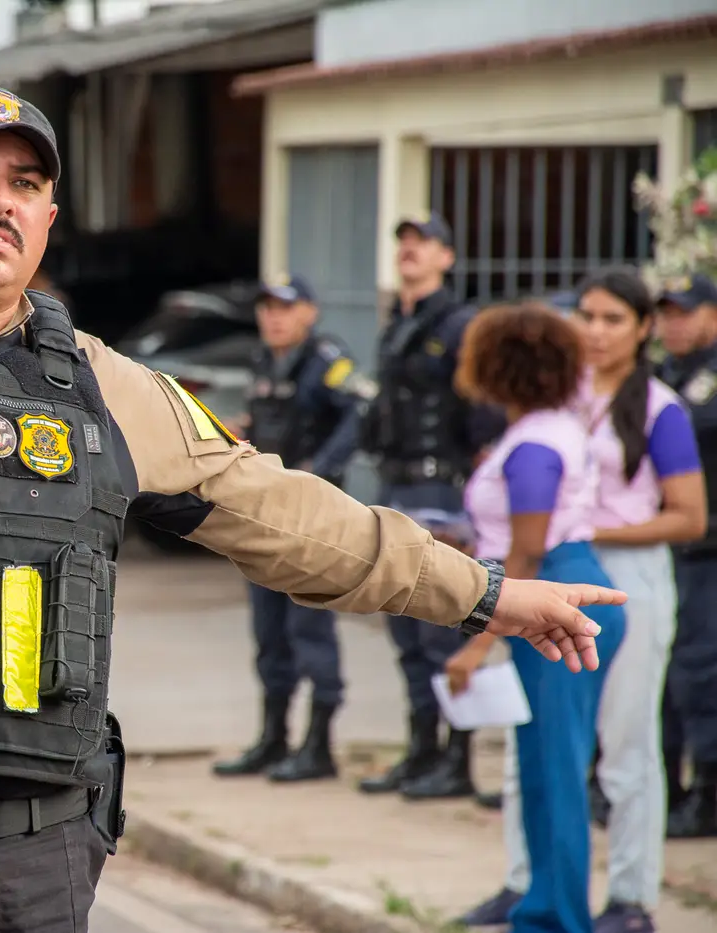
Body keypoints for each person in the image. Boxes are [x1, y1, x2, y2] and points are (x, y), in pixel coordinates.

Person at [0, 84, 620, 933]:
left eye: (25, 184)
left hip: (38, 869)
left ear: (48, 217)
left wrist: (483, 593)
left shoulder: (98, 384)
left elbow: (290, 518)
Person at [457, 268, 706, 933]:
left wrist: (583, 529)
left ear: (644, 329)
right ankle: (526, 883)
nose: (596, 332)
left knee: (625, 745)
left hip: (622, 574)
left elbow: (689, 516)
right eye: (586, 316)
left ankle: (629, 896)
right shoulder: (559, 399)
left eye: (613, 319)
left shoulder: (659, 407)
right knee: (536, 750)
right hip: (553, 570)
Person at [444, 302, 626, 933]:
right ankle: (545, 907)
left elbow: (526, 549)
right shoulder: (548, 429)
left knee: (555, 768)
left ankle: (559, 919)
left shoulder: (535, 445)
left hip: (550, 593)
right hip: (557, 584)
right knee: (546, 763)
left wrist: (476, 641)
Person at [358, 212, 507, 801]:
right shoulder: (399, 323)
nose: (410, 252)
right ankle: (422, 750)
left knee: (444, 625)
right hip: (398, 488)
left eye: (422, 244)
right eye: (403, 243)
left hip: (443, 493)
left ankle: (457, 758)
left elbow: (483, 417)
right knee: (405, 627)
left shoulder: (461, 324)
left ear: (447, 257)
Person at [212, 273, 368, 783]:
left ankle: (318, 746)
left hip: (313, 519)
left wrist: (318, 471)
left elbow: (360, 413)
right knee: (269, 631)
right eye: (267, 308)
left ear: (309, 312)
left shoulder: (326, 360)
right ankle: (273, 738)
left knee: (309, 628)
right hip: (266, 514)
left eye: (285, 307)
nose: (274, 317)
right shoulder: (265, 360)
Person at [654, 272, 717, 839]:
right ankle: (670, 786)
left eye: (685, 312)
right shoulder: (662, 378)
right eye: (665, 313)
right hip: (670, 548)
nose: (672, 324)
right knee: (669, 673)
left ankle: (709, 794)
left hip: (709, 550)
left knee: (701, 673)